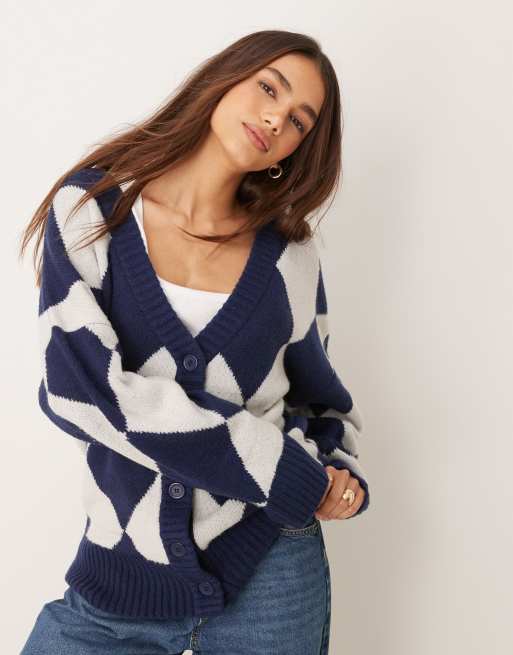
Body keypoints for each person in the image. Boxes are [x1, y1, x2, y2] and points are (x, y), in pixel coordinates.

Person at [18, 29, 370, 655]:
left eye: (298, 121)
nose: (275, 119)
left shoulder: (290, 255)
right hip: (123, 568)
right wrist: (280, 469)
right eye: (269, 88)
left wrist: (336, 470)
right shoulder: (93, 210)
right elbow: (79, 391)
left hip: (270, 569)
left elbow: (318, 397)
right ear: (222, 80)